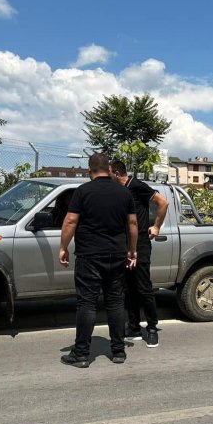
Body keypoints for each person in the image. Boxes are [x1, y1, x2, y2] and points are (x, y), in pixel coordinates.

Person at [59, 153, 138, 368]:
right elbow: (132, 224)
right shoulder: (124, 193)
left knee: (87, 303)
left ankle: (82, 354)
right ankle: (119, 351)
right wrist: (132, 250)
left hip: (90, 255)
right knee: (115, 302)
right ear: (109, 169)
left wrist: (63, 247)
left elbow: (70, 221)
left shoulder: (83, 191)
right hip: (116, 254)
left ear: (89, 169)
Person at [110, 159, 169, 349]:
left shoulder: (136, 185)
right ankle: (133, 326)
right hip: (124, 243)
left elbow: (163, 202)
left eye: (109, 173)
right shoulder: (117, 191)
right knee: (128, 287)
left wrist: (156, 226)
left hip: (141, 243)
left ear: (117, 173)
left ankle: (152, 328)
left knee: (143, 287)